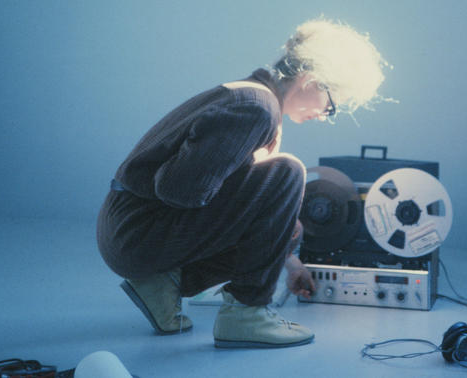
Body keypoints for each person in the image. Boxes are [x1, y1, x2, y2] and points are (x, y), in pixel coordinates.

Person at [96, 17, 387, 349]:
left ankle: (164, 285)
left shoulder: (249, 97)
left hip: (127, 229)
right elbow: (177, 189)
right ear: (311, 80)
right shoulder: (255, 108)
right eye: (332, 106)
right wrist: (258, 193)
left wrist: (286, 257)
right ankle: (246, 314)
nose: (325, 115)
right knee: (287, 173)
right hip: (135, 235)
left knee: (288, 220)